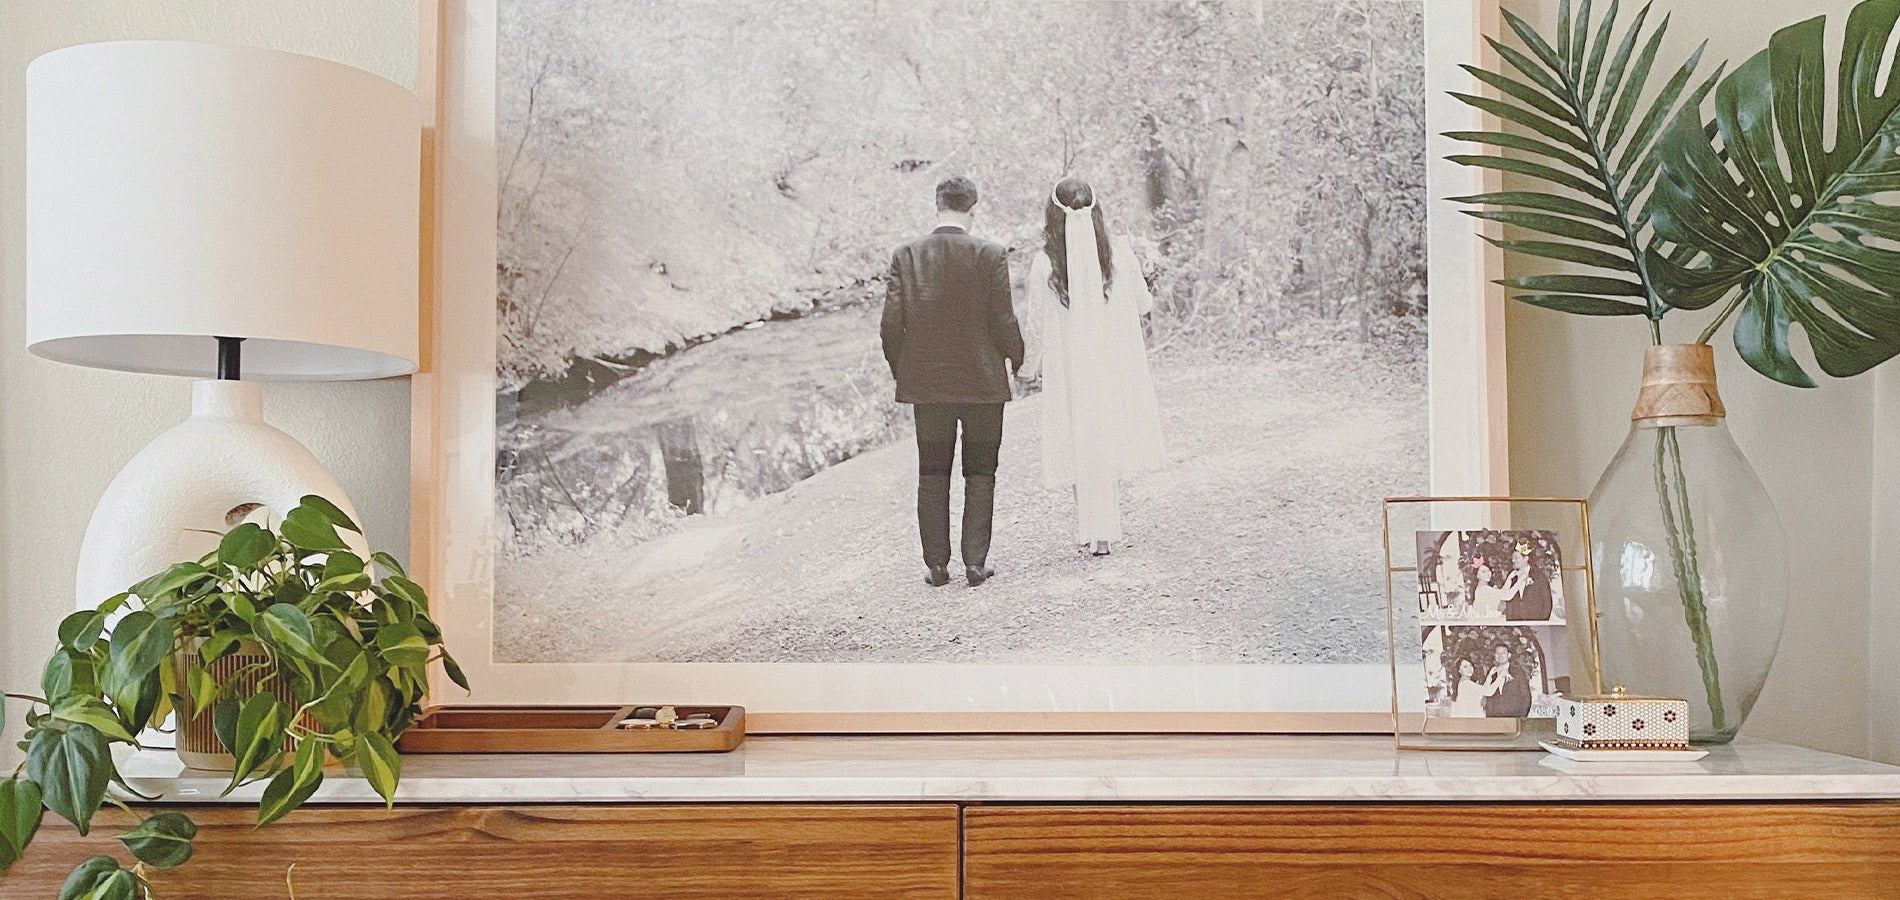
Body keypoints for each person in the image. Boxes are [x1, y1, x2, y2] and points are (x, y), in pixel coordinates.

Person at [881, 175, 1026, 588]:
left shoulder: (906, 255)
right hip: (982, 384)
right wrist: (1017, 359)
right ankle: (976, 563)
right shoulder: (990, 254)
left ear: (937, 205)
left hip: (927, 385)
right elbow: (1003, 319)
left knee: (932, 471)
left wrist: (902, 370)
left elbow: (891, 326)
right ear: (973, 210)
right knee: (981, 471)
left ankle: (937, 566)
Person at [1019, 177, 1164, 555]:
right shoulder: (1118, 253)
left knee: (1077, 433)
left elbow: (1035, 324)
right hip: (1110, 358)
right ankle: (1104, 527)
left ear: (1053, 216)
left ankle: (1091, 524)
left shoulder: (1044, 264)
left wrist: (1026, 367)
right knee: (1106, 430)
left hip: (1070, 364)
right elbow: (1142, 305)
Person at [1502, 543, 1554, 621]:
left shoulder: (1539, 576)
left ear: (1526, 558)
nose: (1513, 560)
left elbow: (1547, 602)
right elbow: (1509, 603)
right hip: (1516, 622)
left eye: (1516, 558)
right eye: (1512, 558)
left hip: (1535, 622)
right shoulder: (1512, 577)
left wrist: (1541, 621)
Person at [1481, 643, 1533, 718]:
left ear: (1509, 655)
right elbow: (1487, 696)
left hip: (1514, 716)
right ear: (1494, 655)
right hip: (1495, 718)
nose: (1500, 655)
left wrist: (1521, 717)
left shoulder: (1518, 671)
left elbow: (1526, 696)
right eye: (1497, 653)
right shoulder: (1492, 672)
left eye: (1503, 653)